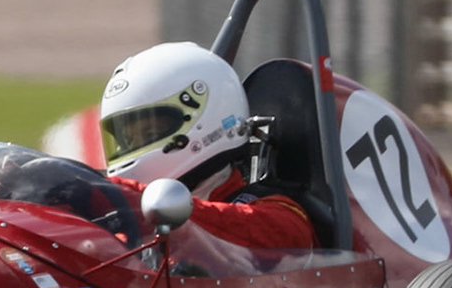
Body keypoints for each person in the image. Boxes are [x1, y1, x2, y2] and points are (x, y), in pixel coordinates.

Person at [97, 41, 316, 251]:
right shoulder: (128, 228)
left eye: (150, 133)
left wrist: (127, 197)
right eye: (129, 141)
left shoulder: (279, 217)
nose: (134, 148)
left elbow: (281, 236)